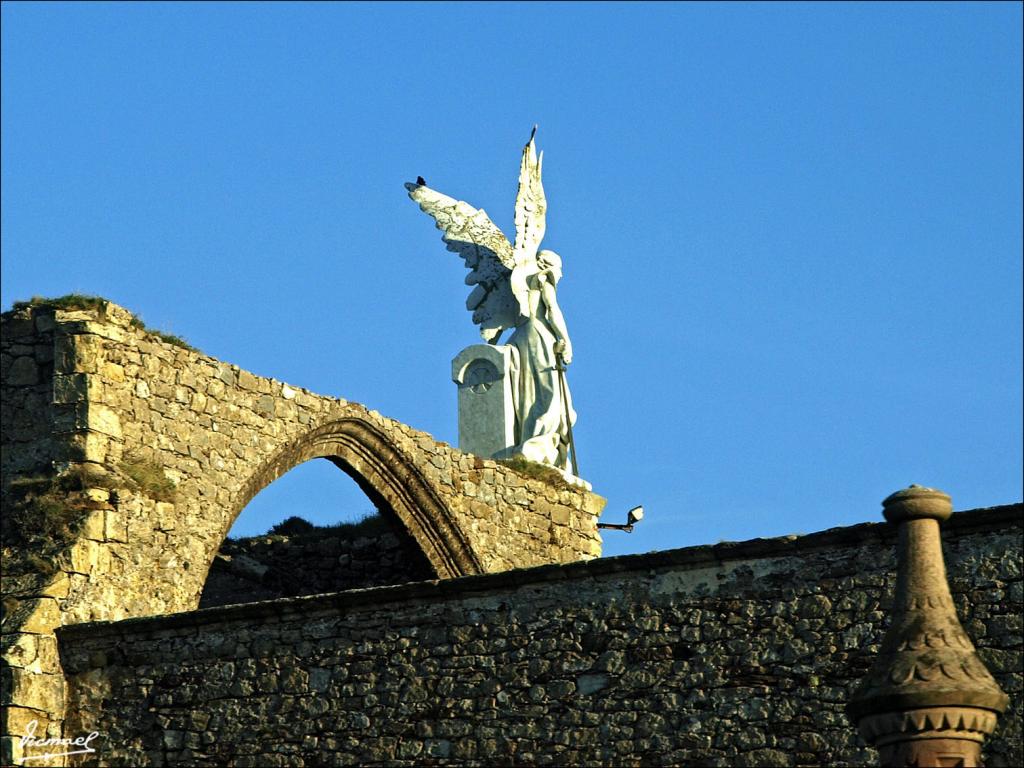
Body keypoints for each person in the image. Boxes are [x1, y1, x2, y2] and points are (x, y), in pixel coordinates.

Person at [503, 249, 577, 472]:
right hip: (539, 335)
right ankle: (537, 445)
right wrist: (566, 339)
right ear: (547, 266)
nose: (560, 274)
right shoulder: (543, 278)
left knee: (529, 394)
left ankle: (534, 442)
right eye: (559, 268)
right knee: (551, 394)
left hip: (521, 336)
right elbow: (552, 309)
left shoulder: (524, 282)